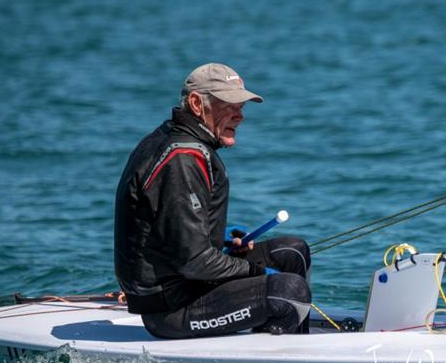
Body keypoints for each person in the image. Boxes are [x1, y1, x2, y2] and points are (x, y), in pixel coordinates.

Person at [114, 63, 311, 339]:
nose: (240, 116)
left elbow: (172, 226)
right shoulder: (182, 158)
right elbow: (194, 262)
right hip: (171, 307)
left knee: (293, 252)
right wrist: (255, 271)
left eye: (242, 106)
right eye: (230, 105)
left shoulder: (177, 139)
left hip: (190, 283)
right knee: (289, 292)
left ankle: (291, 340)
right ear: (196, 103)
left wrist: (223, 237)